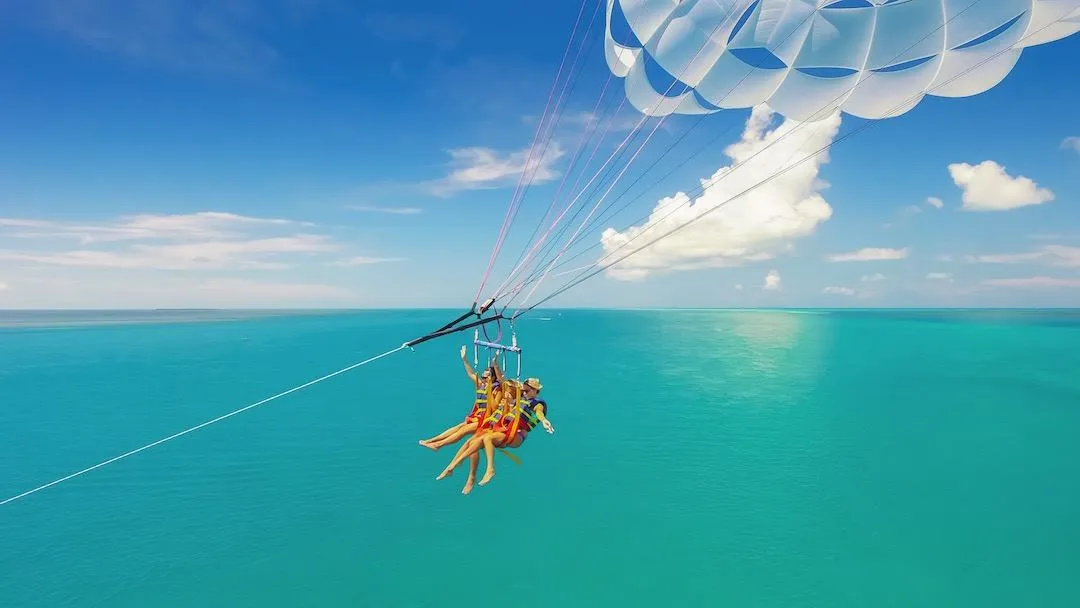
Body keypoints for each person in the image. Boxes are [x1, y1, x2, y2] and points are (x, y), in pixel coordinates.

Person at [437, 376, 553, 488]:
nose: (524, 393)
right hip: (506, 430)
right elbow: (506, 385)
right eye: (523, 390)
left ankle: (490, 469)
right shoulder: (521, 398)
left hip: (517, 435)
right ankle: (452, 466)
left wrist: (544, 421)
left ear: (535, 391)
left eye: (527, 391)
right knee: (474, 441)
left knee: (487, 438)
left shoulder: (538, 404)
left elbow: (539, 413)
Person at [419, 346, 502, 452]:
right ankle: (431, 441)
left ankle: (439, 445)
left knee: (462, 430)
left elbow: (495, 407)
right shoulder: (481, 384)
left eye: (486, 377)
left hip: (487, 420)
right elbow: (471, 374)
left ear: (493, 378)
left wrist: (490, 390)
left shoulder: (497, 390)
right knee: (458, 427)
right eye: (483, 376)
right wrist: (465, 359)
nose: (483, 379)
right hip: (478, 416)